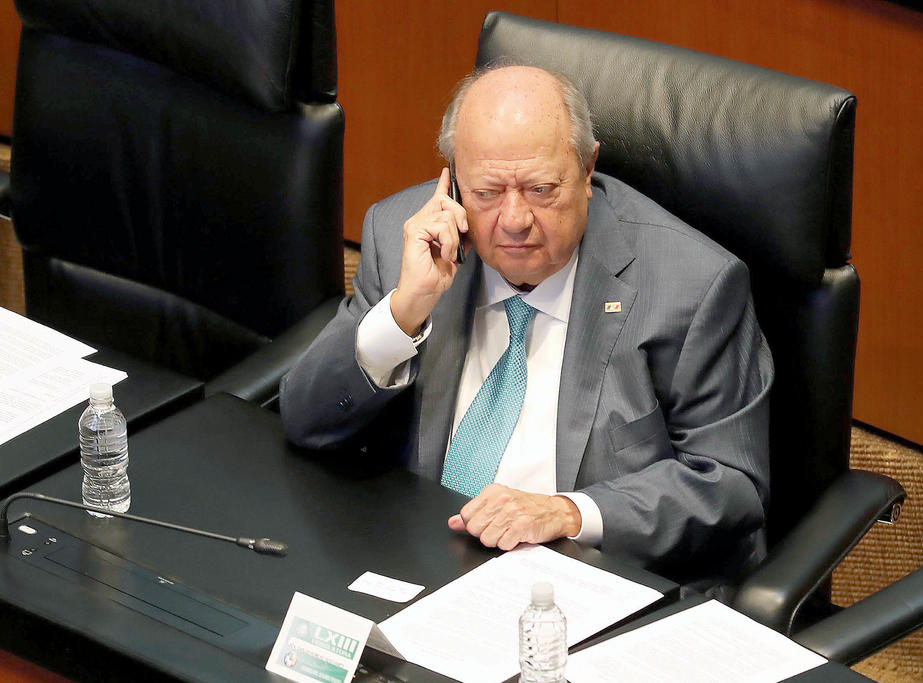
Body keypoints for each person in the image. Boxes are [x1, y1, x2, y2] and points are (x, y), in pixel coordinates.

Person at [280, 64, 773, 583]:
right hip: (422, 560)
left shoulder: (691, 284)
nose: (514, 220)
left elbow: (729, 485)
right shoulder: (403, 238)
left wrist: (570, 513)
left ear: (587, 169)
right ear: (453, 181)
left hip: (591, 580)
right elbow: (308, 421)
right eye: (487, 192)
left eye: (540, 189)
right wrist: (405, 311)